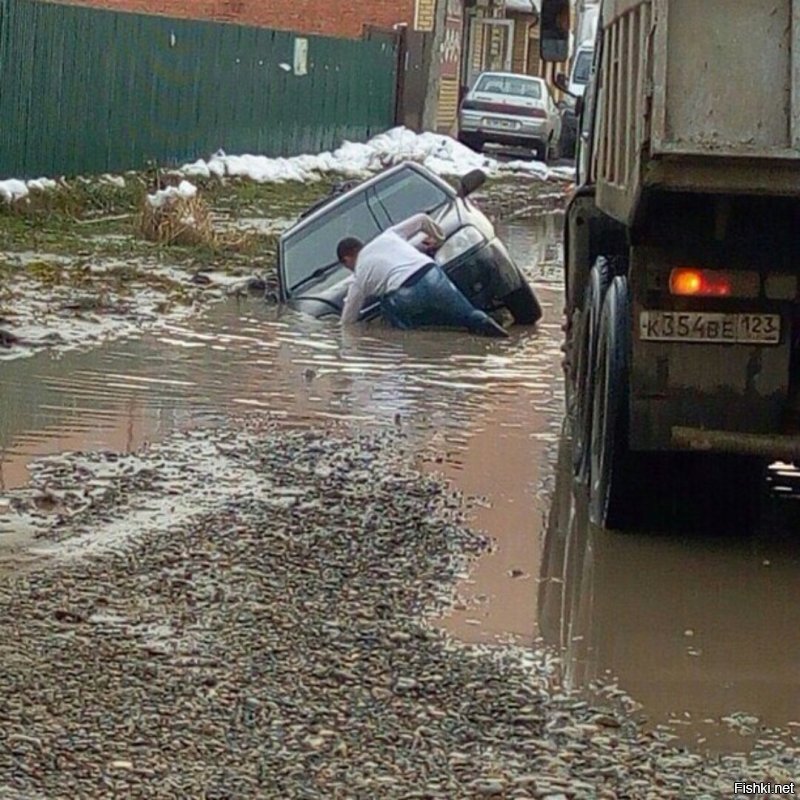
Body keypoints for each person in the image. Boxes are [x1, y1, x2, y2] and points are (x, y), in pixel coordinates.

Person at [337, 213, 508, 338]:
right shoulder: (387, 237)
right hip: (430, 274)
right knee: (469, 315)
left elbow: (348, 321)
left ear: (347, 259)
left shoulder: (358, 277)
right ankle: (503, 339)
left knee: (389, 310)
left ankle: (416, 345)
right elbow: (421, 219)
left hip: (404, 294)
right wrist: (439, 238)